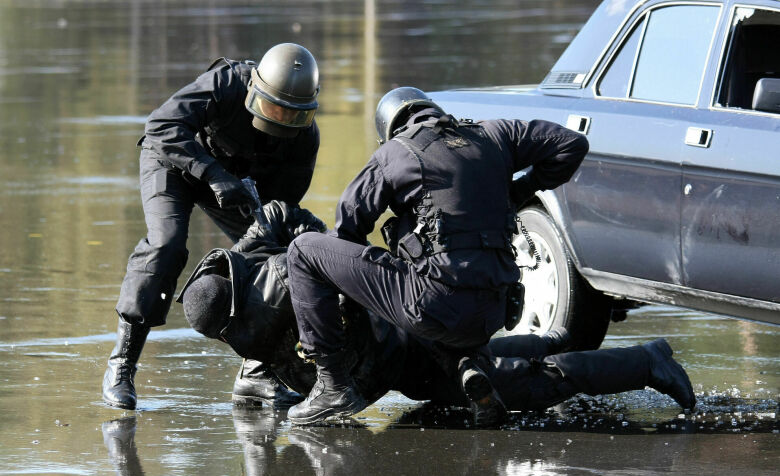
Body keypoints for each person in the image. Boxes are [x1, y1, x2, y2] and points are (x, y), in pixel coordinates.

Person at [177, 201, 697, 425]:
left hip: (401, 343)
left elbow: (338, 347)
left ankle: (646, 362)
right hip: (405, 313)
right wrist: (338, 243)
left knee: (516, 387)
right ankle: (553, 339)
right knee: (489, 364)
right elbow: (277, 215)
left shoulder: (268, 306)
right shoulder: (246, 261)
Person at [284, 86, 590, 424]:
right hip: (493, 314)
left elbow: (346, 231)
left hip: (433, 308)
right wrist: (517, 191)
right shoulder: (496, 134)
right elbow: (572, 144)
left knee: (304, 251)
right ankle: (468, 364)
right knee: (440, 261)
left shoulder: (395, 153)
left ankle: (333, 387)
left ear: (389, 130)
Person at [102, 43, 321, 411]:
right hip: (173, 163)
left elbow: (281, 207)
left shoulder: (305, 142)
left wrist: (259, 242)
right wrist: (212, 173)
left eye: (292, 116)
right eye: (271, 108)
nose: (281, 120)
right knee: (167, 245)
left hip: (236, 186)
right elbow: (161, 125)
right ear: (255, 90)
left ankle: (257, 371)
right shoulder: (225, 83)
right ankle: (122, 363)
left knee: (275, 258)